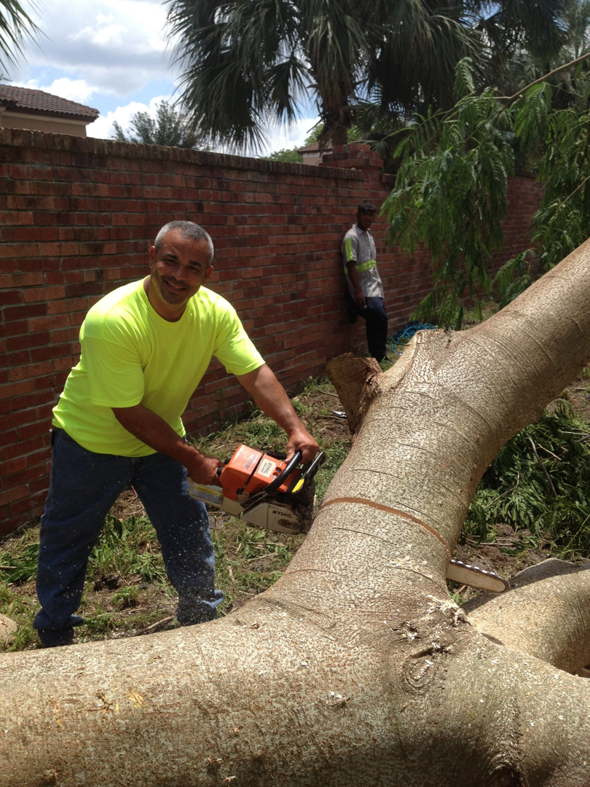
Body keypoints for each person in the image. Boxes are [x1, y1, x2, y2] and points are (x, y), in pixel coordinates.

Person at [34, 220, 319, 647]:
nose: (178, 275)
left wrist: (294, 428)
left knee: (188, 529)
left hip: (162, 441)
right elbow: (127, 411)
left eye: (193, 267)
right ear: (152, 257)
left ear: (207, 274)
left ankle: (201, 621)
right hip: (89, 443)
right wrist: (194, 460)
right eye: (170, 261)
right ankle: (54, 633)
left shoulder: (215, 312)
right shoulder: (113, 319)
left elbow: (254, 372)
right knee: (69, 536)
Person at [342, 200, 388, 363]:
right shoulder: (351, 237)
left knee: (375, 319)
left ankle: (377, 357)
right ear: (357, 215)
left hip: (374, 286)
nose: (368, 218)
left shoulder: (369, 235)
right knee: (380, 317)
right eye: (365, 214)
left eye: (371, 214)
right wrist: (358, 291)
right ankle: (380, 354)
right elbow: (350, 264)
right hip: (362, 289)